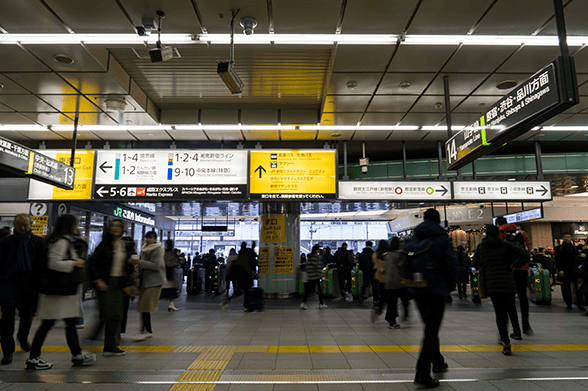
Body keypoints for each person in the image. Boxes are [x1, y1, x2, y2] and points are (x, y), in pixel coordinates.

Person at [26, 214, 96, 369]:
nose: (77, 227)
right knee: (49, 324)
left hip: (60, 292)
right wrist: (75, 263)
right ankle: (34, 357)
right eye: (75, 224)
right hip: (58, 292)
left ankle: (76, 355)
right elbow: (53, 263)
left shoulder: (59, 240)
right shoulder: (62, 241)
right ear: (69, 226)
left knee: (67, 323)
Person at [405, 209, 458, 389]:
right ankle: (422, 374)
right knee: (430, 331)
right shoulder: (442, 238)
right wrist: (450, 287)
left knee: (430, 328)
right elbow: (451, 264)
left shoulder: (414, 237)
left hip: (418, 289)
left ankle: (438, 361)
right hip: (436, 290)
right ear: (439, 220)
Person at [473, 224, 529, 357]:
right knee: (510, 308)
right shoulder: (506, 245)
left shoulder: (481, 248)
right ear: (498, 234)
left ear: (486, 234)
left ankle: (506, 342)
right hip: (508, 283)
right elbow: (525, 255)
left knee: (500, 313)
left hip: (492, 285)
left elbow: (475, 264)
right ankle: (516, 330)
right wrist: (514, 265)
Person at [0, 214, 45, 365]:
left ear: (30, 225)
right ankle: (7, 351)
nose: (22, 228)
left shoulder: (37, 242)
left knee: (27, 319)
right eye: (19, 225)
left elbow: (41, 266)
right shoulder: (6, 242)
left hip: (29, 286)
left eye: (25, 225)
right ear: (14, 225)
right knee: (7, 322)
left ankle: (23, 338)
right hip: (9, 286)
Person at [88, 219, 135, 356]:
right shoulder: (104, 245)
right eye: (113, 226)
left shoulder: (122, 244)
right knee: (109, 314)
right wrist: (98, 280)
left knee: (118, 314)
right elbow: (93, 264)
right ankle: (107, 344)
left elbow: (125, 266)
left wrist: (127, 283)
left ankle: (110, 346)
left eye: (118, 226)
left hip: (118, 283)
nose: (115, 228)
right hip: (105, 283)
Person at [499, 221, 532, 337]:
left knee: (510, 300)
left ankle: (516, 329)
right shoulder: (523, 234)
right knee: (523, 298)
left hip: (509, 271)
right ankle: (526, 325)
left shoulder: (501, 233)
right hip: (523, 269)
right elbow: (528, 251)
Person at [135, 231, 165, 341]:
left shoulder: (157, 249)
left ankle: (144, 330)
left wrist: (140, 262)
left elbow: (156, 265)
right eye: (147, 238)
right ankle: (147, 330)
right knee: (144, 307)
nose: (147, 240)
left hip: (154, 282)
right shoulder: (144, 249)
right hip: (145, 281)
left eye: (150, 238)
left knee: (144, 306)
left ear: (155, 239)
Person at [555, 233, 580, 310]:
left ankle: (578, 302)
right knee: (566, 287)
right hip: (565, 270)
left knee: (577, 287)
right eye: (565, 237)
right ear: (563, 238)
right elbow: (557, 260)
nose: (567, 238)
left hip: (574, 270)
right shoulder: (559, 248)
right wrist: (560, 269)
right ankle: (568, 303)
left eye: (568, 237)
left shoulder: (574, 248)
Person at [301, 244, 327, 310]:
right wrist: (320, 275)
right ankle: (321, 304)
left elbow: (307, 266)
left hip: (310, 276)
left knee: (308, 290)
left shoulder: (309, 257)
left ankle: (304, 303)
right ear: (316, 250)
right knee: (319, 290)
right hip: (316, 276)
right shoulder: (317, 257)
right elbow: (318, 267)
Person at [161, 240, 180, 312]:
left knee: (171, 291)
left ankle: (171, 304)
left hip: (167, 274)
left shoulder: (166, 253)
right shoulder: (169, 253)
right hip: (168, 274)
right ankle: (171, 304)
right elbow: (169, 263)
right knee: (171, 291)